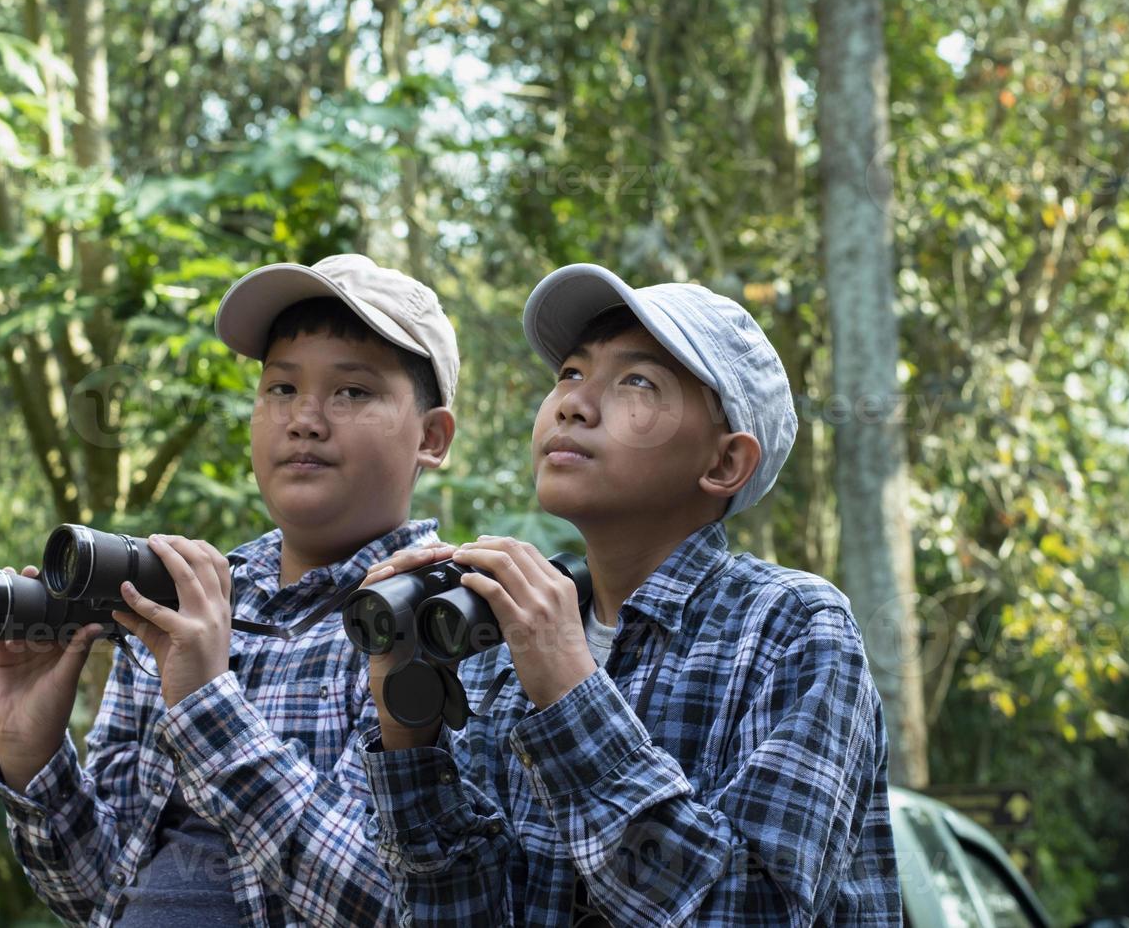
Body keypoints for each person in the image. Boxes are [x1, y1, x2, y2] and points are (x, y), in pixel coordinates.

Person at [357, 262, 902, 925]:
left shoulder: (793, 631)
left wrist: (569, 692)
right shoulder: (501, 646)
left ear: (725, 462)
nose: (573, 403)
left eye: (637, 382)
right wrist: (409, 741)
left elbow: (751, 910)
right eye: (570, 373)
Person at [0, 254, 458, 926]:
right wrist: (31, 758)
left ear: (432, 437)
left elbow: (396, 904)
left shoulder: (447, 618)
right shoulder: (181, 601)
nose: (306, 420)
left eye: (353, 392)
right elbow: (95, 895)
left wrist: (207, 703)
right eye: (281, 390)